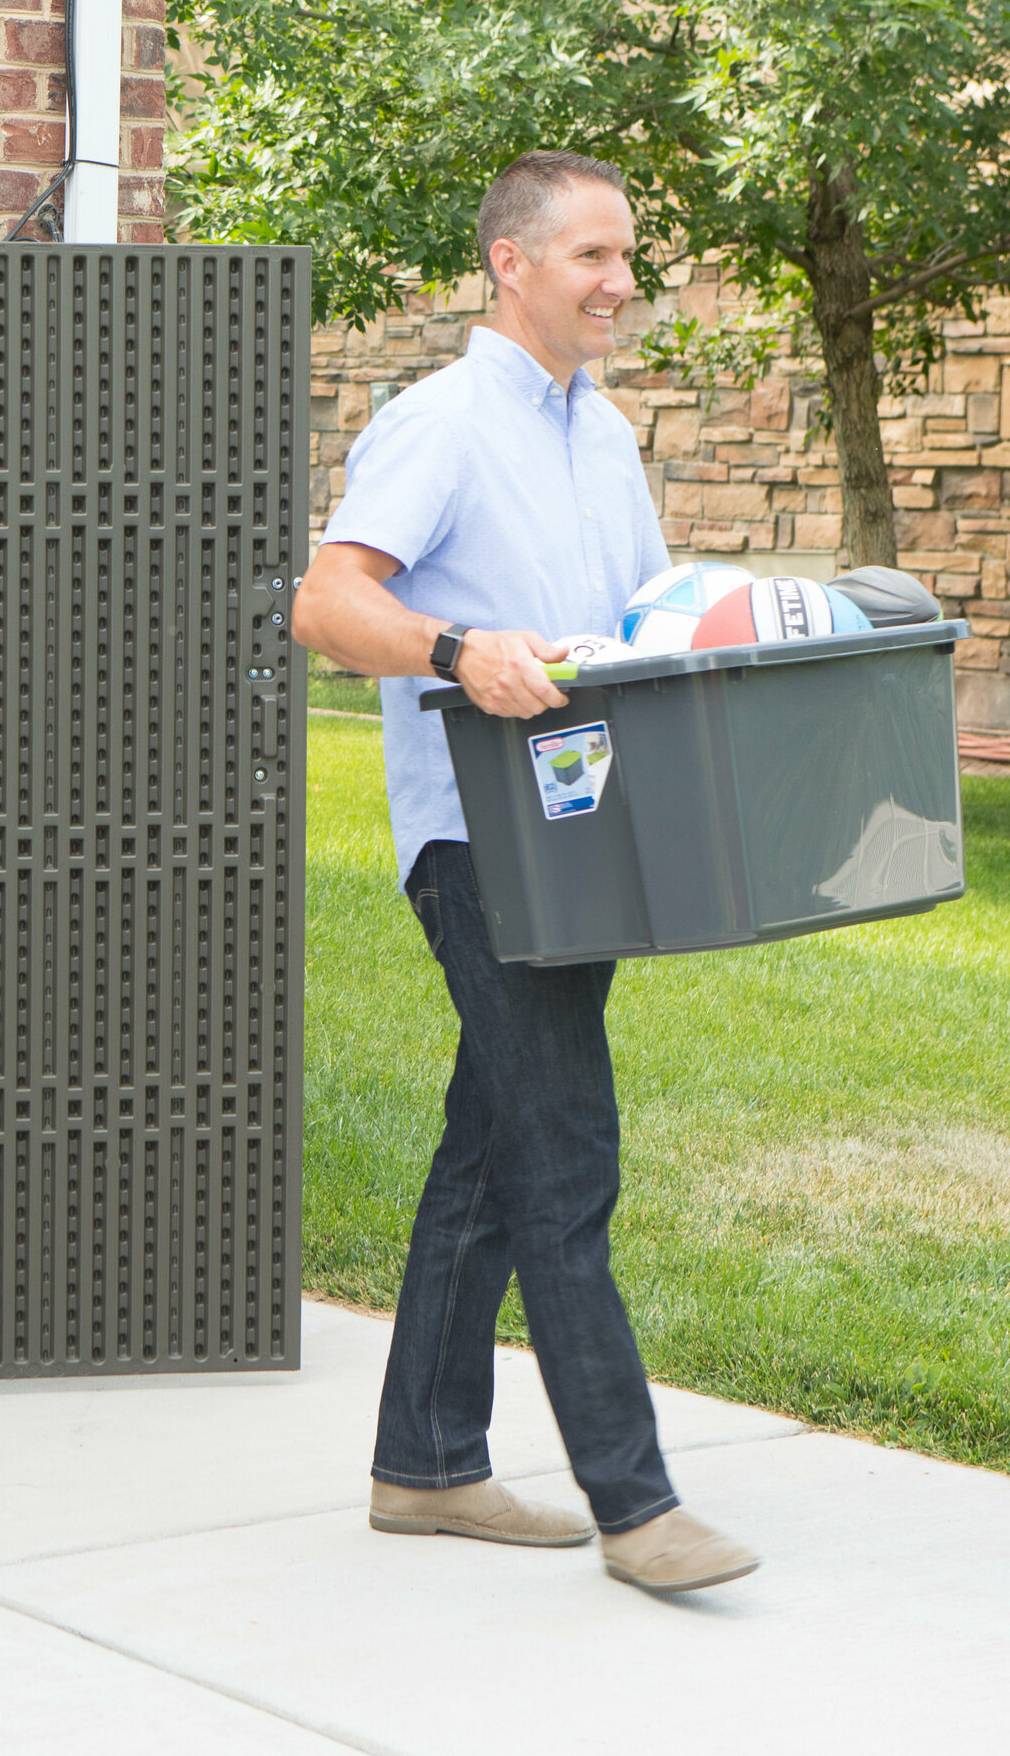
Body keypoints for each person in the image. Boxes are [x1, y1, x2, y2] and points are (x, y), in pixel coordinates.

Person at [291, 151, 760, 1594]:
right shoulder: (439, 423)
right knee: (564, 1145)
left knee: (497, 1143)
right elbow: (328, 599)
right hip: (479, 840)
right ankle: (636, 1503)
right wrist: (454, 650)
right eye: (593, 258)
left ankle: (424, 1463)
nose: (623, 283)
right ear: (512, 262)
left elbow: (635, 622)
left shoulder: (605, 434)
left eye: (629, 258)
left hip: (588, 830)